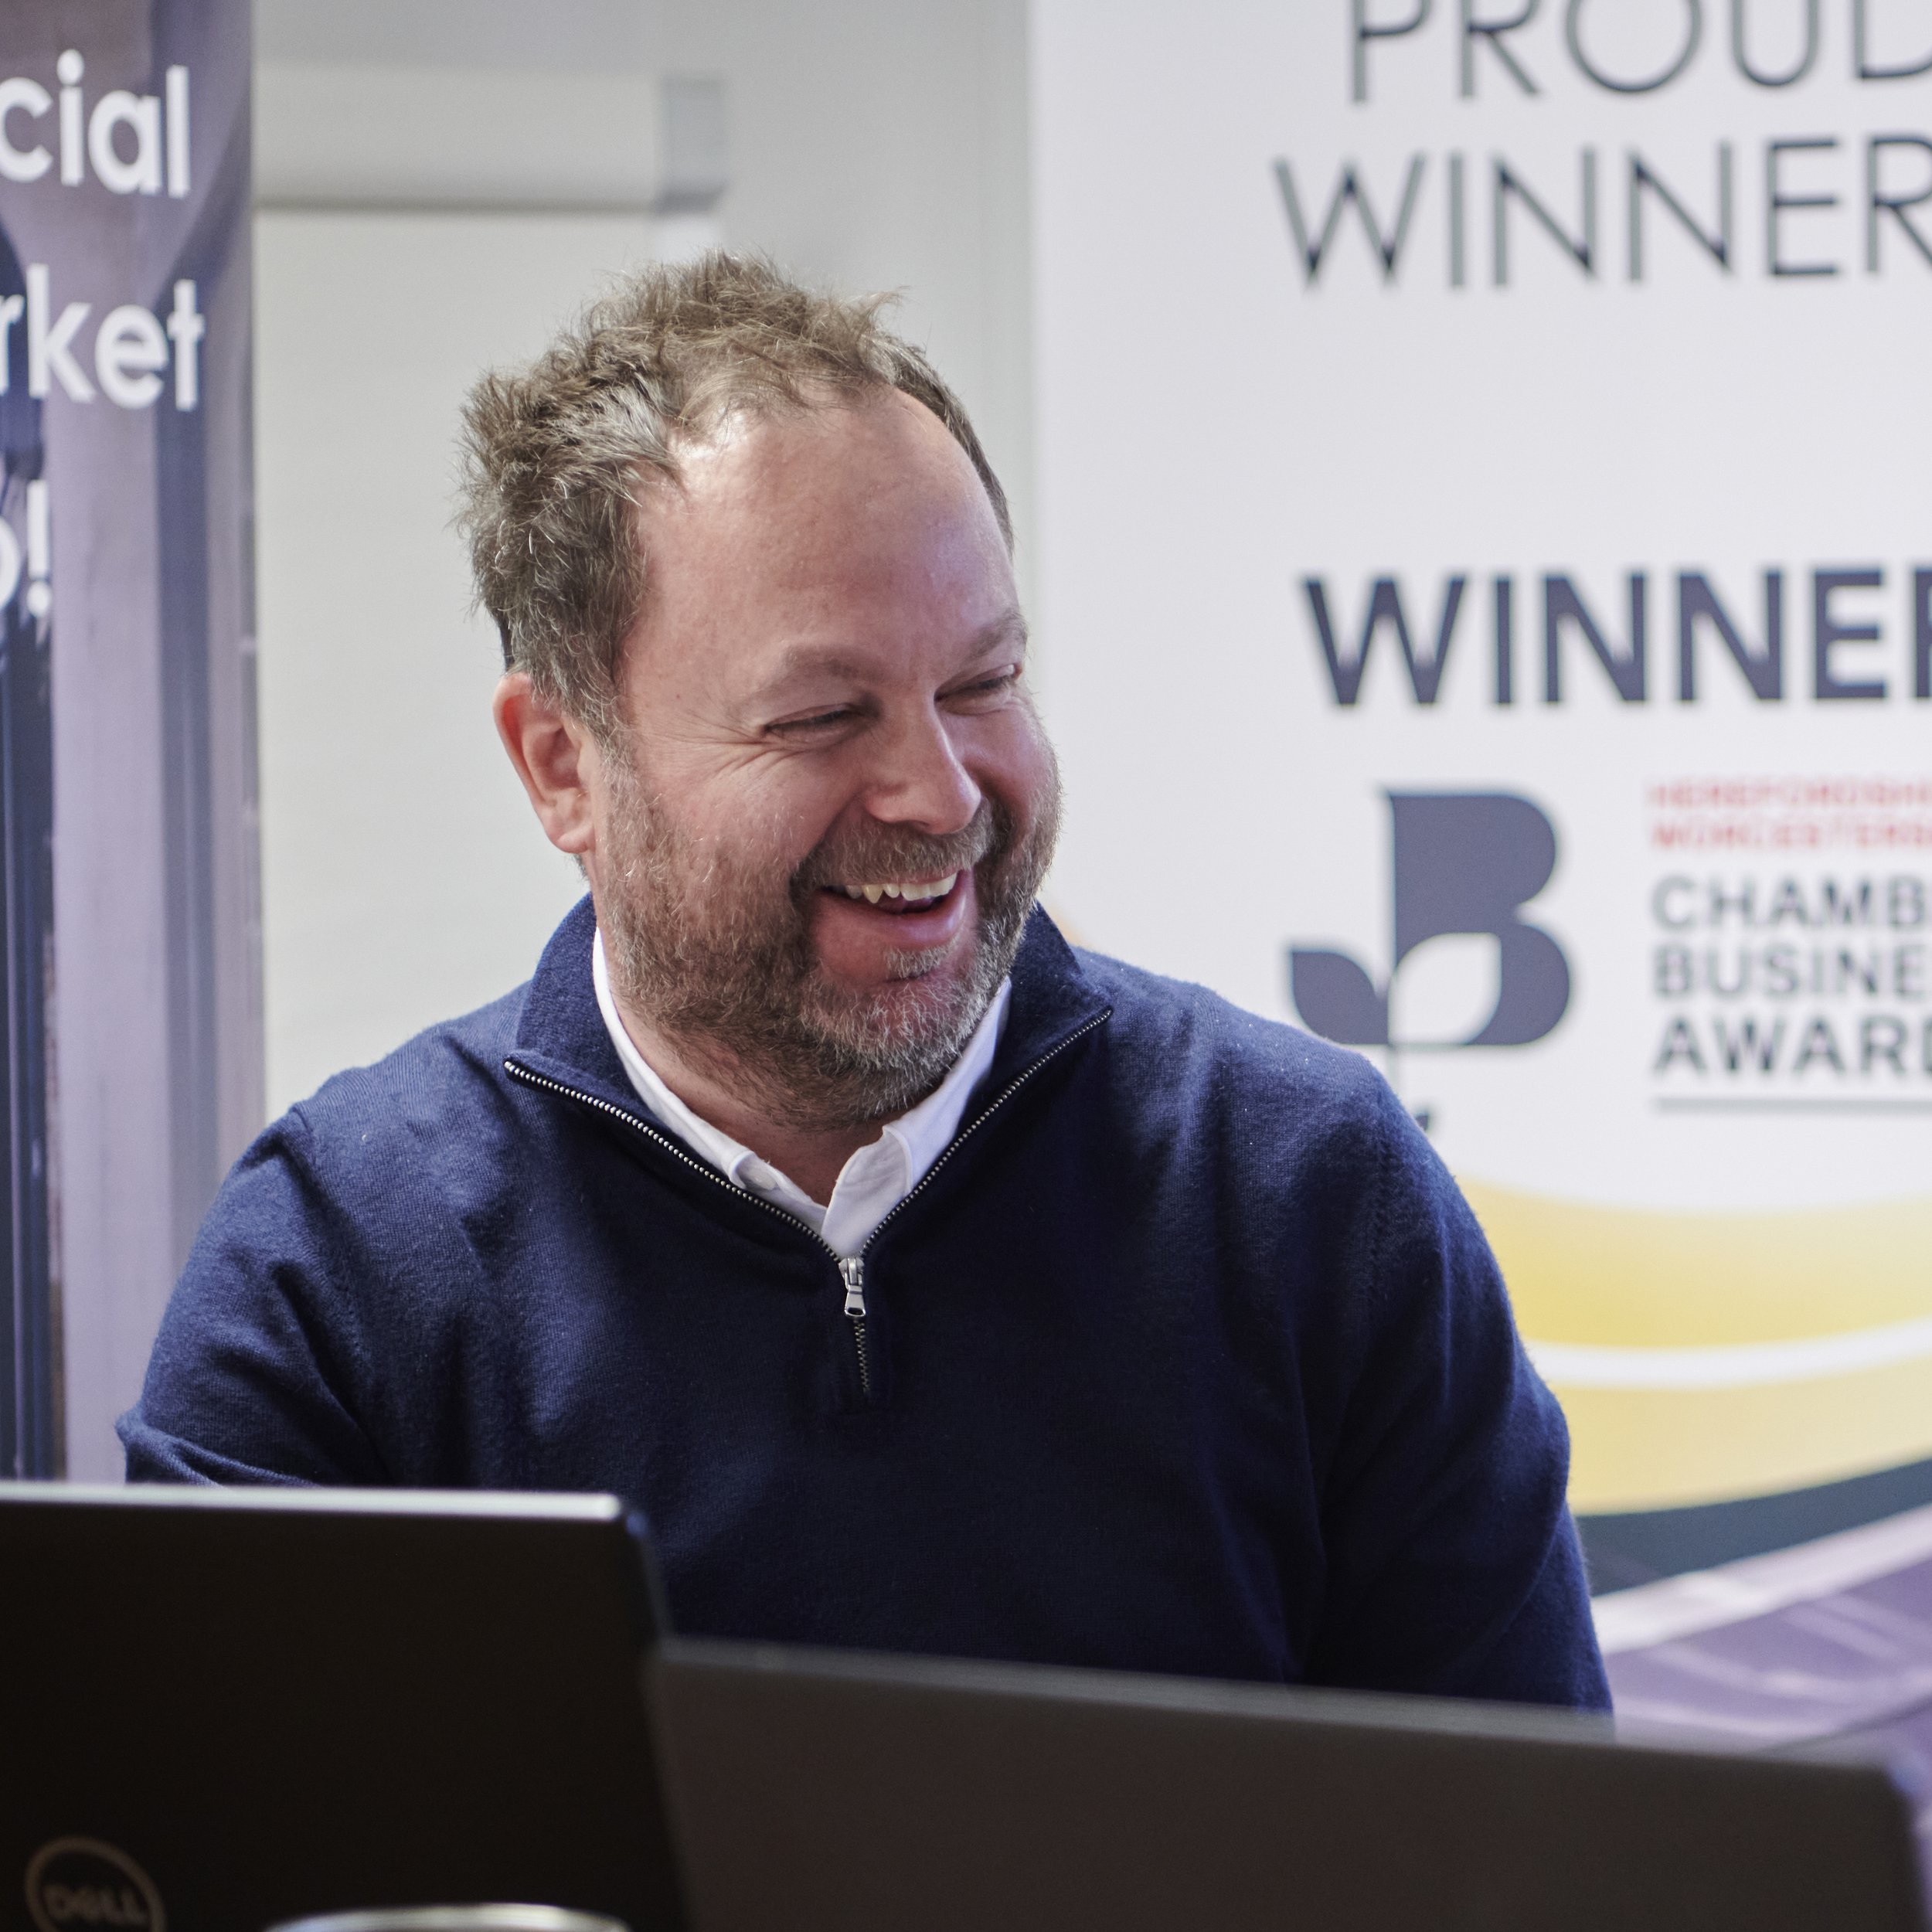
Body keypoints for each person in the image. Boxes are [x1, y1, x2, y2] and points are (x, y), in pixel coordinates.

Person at [121, 253, 1608, 1709]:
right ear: (563, 764)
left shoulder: (1310, 1203)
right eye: (824, 715)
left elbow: (1534, 1839)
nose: (940, 793)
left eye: (983, 683)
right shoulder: (340, 1270)